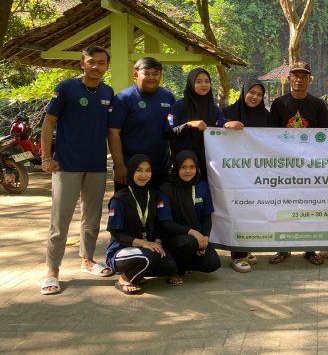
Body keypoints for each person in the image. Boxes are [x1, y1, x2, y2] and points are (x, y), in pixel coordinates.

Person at [40, 46, 115, 295]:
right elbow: (49, 121)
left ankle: (88, 260)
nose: (96, 67)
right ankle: (52, 270)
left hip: (96, 165)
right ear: (82, 64)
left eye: (101, 63)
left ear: (107, 67)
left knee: (92, 219)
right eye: (91, 62)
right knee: (59, 221)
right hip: (66, 165)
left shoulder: (108, 92)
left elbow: (111, 131)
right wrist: (46, 157)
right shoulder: (66, 88)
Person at [269, 61, 328, 265]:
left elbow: (326, 136)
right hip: (285, 167)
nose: (299, 79)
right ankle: (282, 248)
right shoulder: (279, 104)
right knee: (283, 207)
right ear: (289, 78)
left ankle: (310, 248)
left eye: (303, 76)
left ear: (309, 79)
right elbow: (268, 136)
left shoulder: (318, 105)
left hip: (310, 168)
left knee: (310, 208)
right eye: (295, 75)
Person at [105, 154, 177, 295]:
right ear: (131, 172)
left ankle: (138, 273)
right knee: (149, 256)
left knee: (170, 266)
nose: (143, 175)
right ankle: (124, 279)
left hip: (147, 248)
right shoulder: (119, 198)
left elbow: (158, 224)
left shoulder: (154, 194)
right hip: (121, 250)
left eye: (147, 170)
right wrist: (142, 243)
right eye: (139, 170)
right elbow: (116, 233)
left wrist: (157, 240)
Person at [223, 79, 271, 272]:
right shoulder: (228, 113)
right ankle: (237, 254)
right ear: (243, 92)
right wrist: (226, 126)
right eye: (251, 92)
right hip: (235, 173)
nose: (254, 97)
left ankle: (245, 247)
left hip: (258, 171)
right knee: (238, 209)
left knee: (253, 209)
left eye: (259, 94)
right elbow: (215, 133)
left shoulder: (266, 117)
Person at [108, 57, 175, 189]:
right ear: (136, 74)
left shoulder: (168, 97)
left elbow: (173, 131)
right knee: (130, 209)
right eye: (147, 73)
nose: (151, 77)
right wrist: (120, 166)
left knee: (160, 208)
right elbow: (113, 133)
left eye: (155, 74)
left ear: (161, 76)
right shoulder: (123, 98)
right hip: (131, 169)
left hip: (161, 169)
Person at [157, 151, 221, 285]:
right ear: (176, 168)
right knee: (188, 242)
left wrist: (205, 237)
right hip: (174, 239)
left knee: (213, 264)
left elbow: (206, 216)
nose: (188, 171)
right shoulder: (166, 189)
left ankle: (184, 263)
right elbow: (165, 223)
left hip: (196, 239)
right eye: (183, 167)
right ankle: (176, 270)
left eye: (192, 167)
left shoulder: (202, 186)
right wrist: (193, 233)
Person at [170, 68, 224, 181]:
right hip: (184, 165)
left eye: (207, 81)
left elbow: (221, 130)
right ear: (191, 83)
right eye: (198, 81)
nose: (203, 85)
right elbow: (168, 133)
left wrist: (229, 125)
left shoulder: (214, 109)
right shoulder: (179, 106)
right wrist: (188, 124)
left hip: (209, 164)